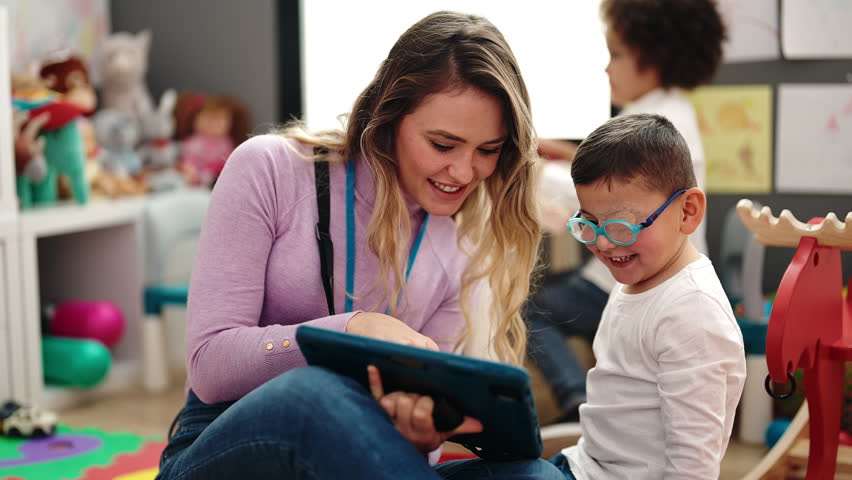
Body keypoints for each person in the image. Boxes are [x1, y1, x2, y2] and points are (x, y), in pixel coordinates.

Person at [155, 11, 564, 480]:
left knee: (536, 476)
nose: (465, 172)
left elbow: (403, 455)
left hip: (360, 459)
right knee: (312, 394)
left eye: (487, 150)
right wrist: (352, 330)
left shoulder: (458, 243)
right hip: (226, 443)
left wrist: (420, 429)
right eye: (443, 144)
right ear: (389, 116)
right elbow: (210, 367)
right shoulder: (269, 169)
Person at [527, 0, 726, 422]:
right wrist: (563, 153)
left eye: (616, 55)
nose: (607, 69)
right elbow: (621, 176)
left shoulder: (653, 117)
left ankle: (573, 403)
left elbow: (599, 194)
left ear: (655, 56)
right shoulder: (670, 112)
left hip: (631, 272)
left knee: (529, 308)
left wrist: (531, 168)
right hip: (643, 269)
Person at [547, 113, 746, 479]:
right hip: (584, 463)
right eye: (588, 224)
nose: (603, 243)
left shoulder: (693, 313)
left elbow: (693, 467)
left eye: (621, 226)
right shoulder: (639, 279)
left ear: (687, 212)